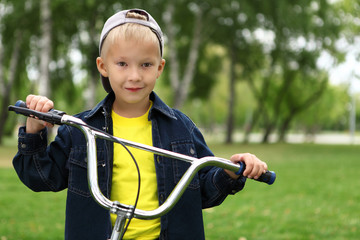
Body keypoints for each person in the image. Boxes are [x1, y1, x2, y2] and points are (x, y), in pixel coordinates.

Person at [12, 8, 268, 240]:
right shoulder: (80, 128)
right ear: (103, 66)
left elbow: (203, 190)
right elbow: (41, 178)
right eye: (122, 64)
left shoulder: (181, 127)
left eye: (146, 64)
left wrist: (229, 171)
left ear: (159, 68)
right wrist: (34, 130)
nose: (134, 76)